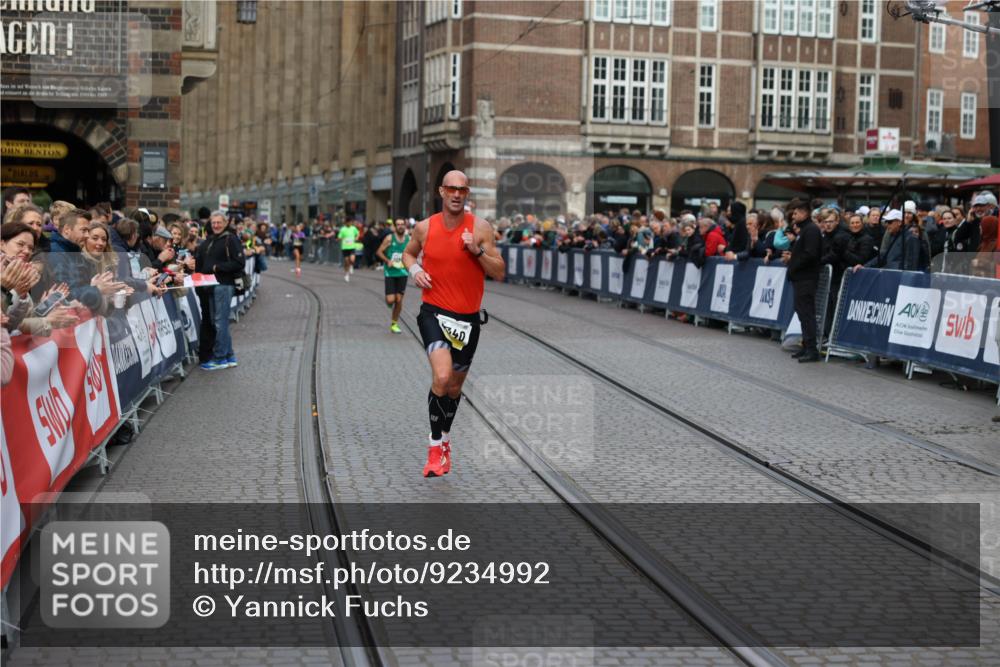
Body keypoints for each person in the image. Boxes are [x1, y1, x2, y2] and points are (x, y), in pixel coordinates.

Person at [402, 170, 505, 478]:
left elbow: (499, 271)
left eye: (462, 189)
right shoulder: (424, 227)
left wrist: (478, 251)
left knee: (455, 387)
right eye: (451, 189)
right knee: (442, 376)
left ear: (467, 193)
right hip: (433, 312)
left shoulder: (480, 228)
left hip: (468, 320)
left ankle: (445, 438)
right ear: (441, 191)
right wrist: (415, 271)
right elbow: (407, 255)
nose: (457, 194)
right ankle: (434, 448)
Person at [194, 211, 245, 371]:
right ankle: (229, 356)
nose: (216, 225)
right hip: (212, 285)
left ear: (225, 223)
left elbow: (239, 262)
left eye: (219, 222)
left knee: (220, 322)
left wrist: (218, 267)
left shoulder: (231, 238)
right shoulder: (212, 239)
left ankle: (220, 357)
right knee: (219, 322)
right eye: (213, 222)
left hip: (223, 285)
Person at [784, 199, 822, 363]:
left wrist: (795, 264)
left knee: (807, 314)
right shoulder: (804, 230)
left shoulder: (811, 230)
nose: (794, 215)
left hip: (806, 278)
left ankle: (812, 350)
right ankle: (806, 346)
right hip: (800, 277)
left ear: (805, 212)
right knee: (802, 314)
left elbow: (810, 254)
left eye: (797, 212)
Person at [376, 218, 410, 334]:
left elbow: (412, 253)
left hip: (403, 273)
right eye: (398, 224)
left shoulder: (409, 239)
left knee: (399, 300)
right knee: (391, 300)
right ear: (395, 227)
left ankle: (394, 324)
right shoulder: (389, 238)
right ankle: (390, 302)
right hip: (390, 272)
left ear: (405, 226)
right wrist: (387, 260)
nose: (400, 226)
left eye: (402, 224)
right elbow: (379, 251)